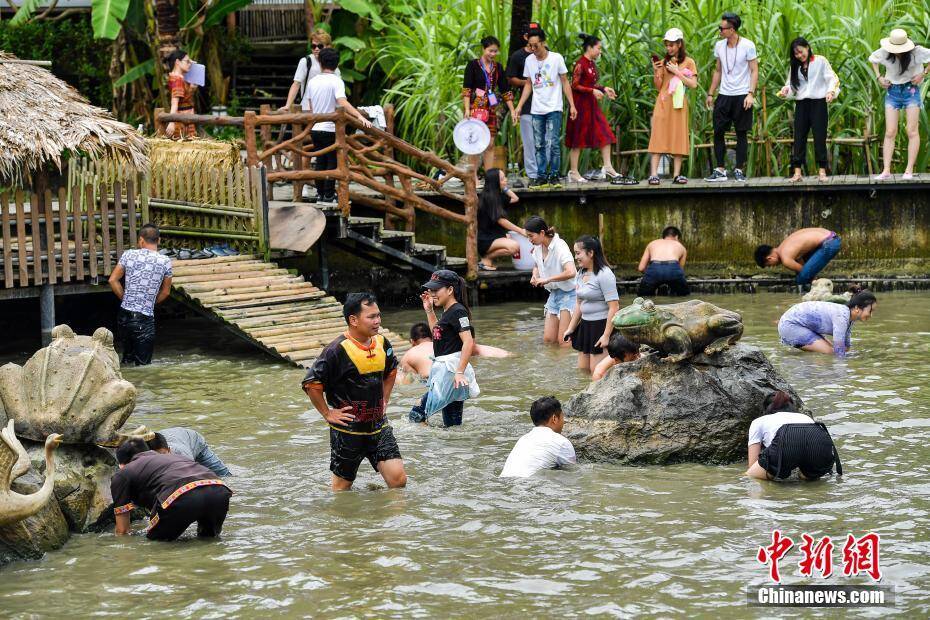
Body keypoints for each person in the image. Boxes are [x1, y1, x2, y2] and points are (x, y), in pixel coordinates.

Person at [302, 293, 406, 491]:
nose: (378, 321)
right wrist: (327, 413)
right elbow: (312, 383)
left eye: (378, 315)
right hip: (348, 431)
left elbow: (391, 371)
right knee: (341, 490)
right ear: (353, 320)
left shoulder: (382, 343)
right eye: (371, 317)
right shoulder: (336, 350)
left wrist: (385, 399)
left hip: (378, 426)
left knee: (398, 481)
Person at [111, 439, 232, 541]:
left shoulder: (123, 473)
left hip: (181, 496)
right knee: (209, 540)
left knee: (157, 544)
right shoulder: (175, 457)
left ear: (122, 465)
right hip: (218, 490)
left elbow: (123, 530)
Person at [302, 48, 372, 205]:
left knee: (320, 161)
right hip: (330, 129)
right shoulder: (336, 81)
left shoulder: (313, 81)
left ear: (320, 62)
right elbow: (342, 102)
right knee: (332, 161)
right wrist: (359, 116)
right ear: (337, 64)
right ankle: (328, 195)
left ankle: (320, 194)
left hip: (315, 129)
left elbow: (311, 107)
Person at [409, 270, 476, 427]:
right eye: (431, 290)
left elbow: (468, 342)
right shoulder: (448, 311)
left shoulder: (457, 311)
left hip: (451, 372)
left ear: (450, 289)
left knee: (417, 414)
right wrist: (429, 310)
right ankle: (451, 443)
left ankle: (422, 440)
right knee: (452, 425)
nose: (432, 294)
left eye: (436, 289)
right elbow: (437, 334)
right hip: (449, 372)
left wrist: (459, 372)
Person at [515, 27, 578, 187]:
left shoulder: (556, 58)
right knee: (539, 144)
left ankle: (554, 174)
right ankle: (541, 175)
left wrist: (572, 105)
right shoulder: (529, 60)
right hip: (537, 109)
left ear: (543, 42)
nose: (533, 49)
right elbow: (528, 84)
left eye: (536, 45)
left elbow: (565, 82)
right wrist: (519, 106)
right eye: (530, 46)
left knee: (553, 143)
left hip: (554, 107)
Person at [869, 29, 930, 180]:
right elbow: (872, 59)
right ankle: (886, 170)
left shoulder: (916, 52)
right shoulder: (885, 52)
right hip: (893, 91)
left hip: (911, 91)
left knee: (912, 131)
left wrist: (923, 73)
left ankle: (908, 170)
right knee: (890, 131)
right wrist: (879, 77)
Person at [108, 224, 173, 366]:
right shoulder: (165, 261)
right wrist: (150, 303)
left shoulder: (128, 254)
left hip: (124, 316)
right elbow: (166, 292)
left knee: (127, 361)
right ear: (159, 240)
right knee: (143, 367)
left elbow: (113, 280)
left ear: (141, 240)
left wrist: (125, 299)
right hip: (144, 318)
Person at [704, 12, 758, 183]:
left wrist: (750, 93)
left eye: (722, 28)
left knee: (741, 132)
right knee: (718, 131)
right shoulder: (719, 46)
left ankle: (739, 169)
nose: (720, 31)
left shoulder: (748, 45)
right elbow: (718, 70)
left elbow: (754, 70)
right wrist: (711, 93)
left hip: (742, 94)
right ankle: (720, 169)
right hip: (724, 94)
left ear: (732, 29)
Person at [777, 38, 840, 182]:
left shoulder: (820, 61)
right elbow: (791, 86)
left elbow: (832, 79)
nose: (799, 55)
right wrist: (785, 91)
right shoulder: (795, 66)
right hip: (801, 104)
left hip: (818, 103)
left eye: (801, 51)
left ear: (807, 47)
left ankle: (822, 171)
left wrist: (831, 92)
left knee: (819, 137)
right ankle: (797, 172)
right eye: (796, 54)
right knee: (799, 137)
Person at [745, 391, 842, 481]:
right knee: (808, 480)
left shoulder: (759, 421)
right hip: (818, 440)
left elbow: (752, 463)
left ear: (766, 408)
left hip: (787, 440)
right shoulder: (805, 417)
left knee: (751, 477)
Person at [565, 33, 619, 183]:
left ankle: (608, 166)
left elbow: (591, 84)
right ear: (589, 48)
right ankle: (573, 172)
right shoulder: (580, 64)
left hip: (592, 106)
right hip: (580, 106)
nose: (600, 51)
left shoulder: (591, 64)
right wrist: (592, 91)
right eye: (598, 48)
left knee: (605, 133)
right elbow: (574, 85)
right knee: (578, 138)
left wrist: (603, 89)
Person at [647, 28, 698, 185]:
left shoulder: (689, 62)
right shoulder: (663, 62)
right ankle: (653, 174)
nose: (669, 48)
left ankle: (676, 174)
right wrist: (656, 71)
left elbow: (693, 84)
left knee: (678, 136)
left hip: (678, 104)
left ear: (679, 44)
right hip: (663, 102)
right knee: (658, 135)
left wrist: (677, 72)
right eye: (667, 45)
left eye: (672, 45)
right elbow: (659, 86)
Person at [463, 36, 518, 182]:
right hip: (475, 108)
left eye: (495, 51)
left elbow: (505, 90)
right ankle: (473, 177)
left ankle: (489, 179)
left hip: (491, 108)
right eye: (490, 51)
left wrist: (512, 110)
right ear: (483, 49)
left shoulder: (497, 67)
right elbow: (467, 89)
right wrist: (467, 109)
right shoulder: (473, 65)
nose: (493, 54)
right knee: (474, 143)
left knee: (490, 143)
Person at [563, 236, 620, 373]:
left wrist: (606, 335)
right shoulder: (580, 273)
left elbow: (614, 307)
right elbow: (579, 303)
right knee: (583, 370)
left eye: (578, 253)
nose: (576, 257)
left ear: (591, 253)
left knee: (596, 371)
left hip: (601, 326)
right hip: (586, 326)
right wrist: (571, 328)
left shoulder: (604, 274)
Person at [399, 322, 510, 383]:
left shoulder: (408, 356)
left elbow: (408, 381)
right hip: (457, 377)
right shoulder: (446, 344)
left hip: (431, 380)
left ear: (412, 342)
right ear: (433, 337)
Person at [777, 290, 877, 356]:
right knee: (830, 352)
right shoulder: (841, 317)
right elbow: (839, 351)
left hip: (801, 326)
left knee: (830, 350)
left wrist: (849, 353)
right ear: (857, 308)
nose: (871, 315)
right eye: (870, 311)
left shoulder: (848, 318)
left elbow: (846, 347)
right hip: (790, 325)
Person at [526, 216, 576, 345]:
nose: (529, 240)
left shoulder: (560, 246)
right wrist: (535, 275)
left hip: (570, 293)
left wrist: (547, 279)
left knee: (564, 342)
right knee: (549, 340)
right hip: (554, 294)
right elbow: (537, 264)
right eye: (528, 236)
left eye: (531, 236)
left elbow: (571, 271)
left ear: (542, 233)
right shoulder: (538, 247)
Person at [500, 396, 576, 478]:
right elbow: (572, 473)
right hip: (528, 483)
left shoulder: (523, 439)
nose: (563, 422)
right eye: (562, 417)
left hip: (503, 480)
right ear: (554, 418)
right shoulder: (562, 442)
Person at [506, 22, 541, 182]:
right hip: (526, 105)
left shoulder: (547, 54)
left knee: (546, 141)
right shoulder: (517, 56)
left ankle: (545, 173)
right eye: (532, 35)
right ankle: (533, 175)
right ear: (526, 37)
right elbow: (510, 78)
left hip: (545, 105)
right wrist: (528, 83)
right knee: (529, 142)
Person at [754, 227, 841, 287]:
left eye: (769, 265)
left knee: (800, 280)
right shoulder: (784, 246)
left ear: (769, 258)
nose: (773, 266)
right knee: (803, 275)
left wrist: (811, 278)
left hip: (829, 244)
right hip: (832, 237)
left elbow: (804, 272)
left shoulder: (785, 258)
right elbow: (800, 260)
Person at [280, 29, 341, 112]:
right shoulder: (306, 61)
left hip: (328, 110)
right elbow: (296, 84)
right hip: (307, 108)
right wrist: (287, 105)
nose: (316, 49)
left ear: (328, 46)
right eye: (313, 46)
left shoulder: (332, 63)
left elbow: (337, 89)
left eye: (320, 46)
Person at [477, 168, 524, 270]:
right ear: (495, 182)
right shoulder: (489, 198)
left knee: (512, 240)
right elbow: (501, 220)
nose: (506, 179)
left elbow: (515, 198)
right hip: (485, 239)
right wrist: (521, 231)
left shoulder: (499, 196)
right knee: (514, 247)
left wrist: (504, 187)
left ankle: (486, 260)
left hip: (494, 236)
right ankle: (486, 258)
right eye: (502, 179)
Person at [146, 427, 231, 477]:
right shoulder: (144, 457)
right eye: (157, 458)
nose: (161, 460)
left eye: (163, 455)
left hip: (195, 441)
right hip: (173, 437)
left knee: (223, 475)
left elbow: (193, 479)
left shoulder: (184, 457)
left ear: (169, 450)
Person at [637, 226, 689, 296]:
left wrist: (650, 275)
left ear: (664, 236)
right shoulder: (681, 247)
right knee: (684, 296)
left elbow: (641, 268)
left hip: (654, 270)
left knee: (642, 298)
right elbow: (680, 270)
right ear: (676, 237)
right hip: (673, 270)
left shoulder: (652, 243)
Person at [164, 49, 197, 139]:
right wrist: (171, 122)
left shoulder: (176, 77)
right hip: (182, 119)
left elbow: (184, 98)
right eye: (187, 62)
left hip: (186, 117)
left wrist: (190, 62)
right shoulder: (177, 80)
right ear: (178, 62)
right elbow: (174, 103)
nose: (190, 64)